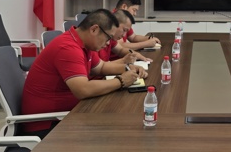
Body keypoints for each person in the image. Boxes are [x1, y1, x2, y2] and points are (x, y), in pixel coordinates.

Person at [21, 9, 147, 137]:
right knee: (117, 130)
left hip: (69, 113)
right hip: (47, 124)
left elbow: (101, 67)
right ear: (94, 30)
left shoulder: (83, 43)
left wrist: (128, 68)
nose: (109, 43)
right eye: (108, 37)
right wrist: (121, 81)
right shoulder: (68, 48)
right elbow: (83, 89)